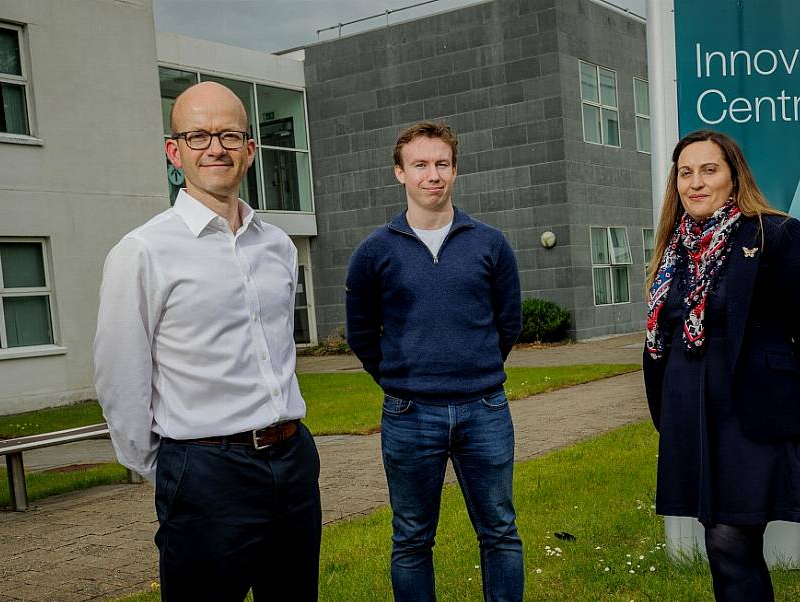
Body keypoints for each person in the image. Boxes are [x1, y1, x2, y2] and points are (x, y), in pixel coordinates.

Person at [93, 81, 320, 601]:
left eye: (229, 135)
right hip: (206, 473)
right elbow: (120, 377)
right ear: (175, 152)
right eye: (198, 136)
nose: (215, 147)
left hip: (292, 461)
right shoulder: (143, 251)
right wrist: (175, 468)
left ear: (250, 151)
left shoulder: (278, 245)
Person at [643, 129, 800, 601]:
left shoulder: (775, 234)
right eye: (686, 173)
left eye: (709, 170)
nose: (696, 183)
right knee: (726, 546)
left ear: (734, 176)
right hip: (692, 411)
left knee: (730, 541)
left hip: (752, 416)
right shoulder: (674, 248)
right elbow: (661, 336)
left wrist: (785, 404)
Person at [345, 121, 523, 602]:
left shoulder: (490, 244)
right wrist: (399, 377)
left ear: (455, 170)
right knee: (411, 540)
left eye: (442, 164)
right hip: (409, 415)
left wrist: (475, 367)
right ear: (399, 173)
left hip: (483, 409)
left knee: (500, 532)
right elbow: (361, 332)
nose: (433, 175)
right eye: (420, 165)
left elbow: (509, 323)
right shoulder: (374, 252)